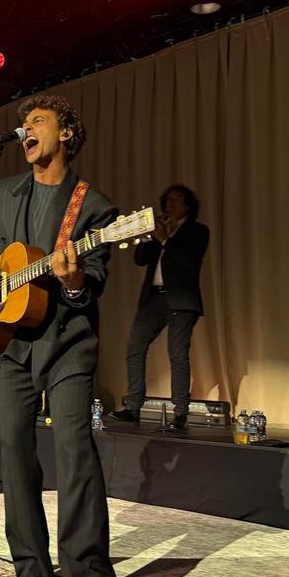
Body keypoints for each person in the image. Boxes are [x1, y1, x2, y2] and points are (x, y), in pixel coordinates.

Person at [0, 94, 118, 577]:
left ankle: (88, 571)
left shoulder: (94, 207)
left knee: (73, 447)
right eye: (23, 124)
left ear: (66, 133)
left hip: (68, 342)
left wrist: (71, 283)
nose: (26, 130)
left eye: (38, 121)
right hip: (12, 345)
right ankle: (31, 568)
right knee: (15, 452)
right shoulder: (2, 193)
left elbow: (95, 285)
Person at [111, 184, 209, 431]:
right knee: (134, 347)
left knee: (177, 354)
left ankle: (180, 413)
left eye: (176, 200)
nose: (170, 205)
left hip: (181, 300)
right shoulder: (158, 232)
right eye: (167, 200)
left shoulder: (197, 231)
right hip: (154, 298)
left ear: (188, 206)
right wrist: (148, 234)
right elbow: (140, 259)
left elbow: (188, 262)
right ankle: (133, 407)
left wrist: (165, 238)